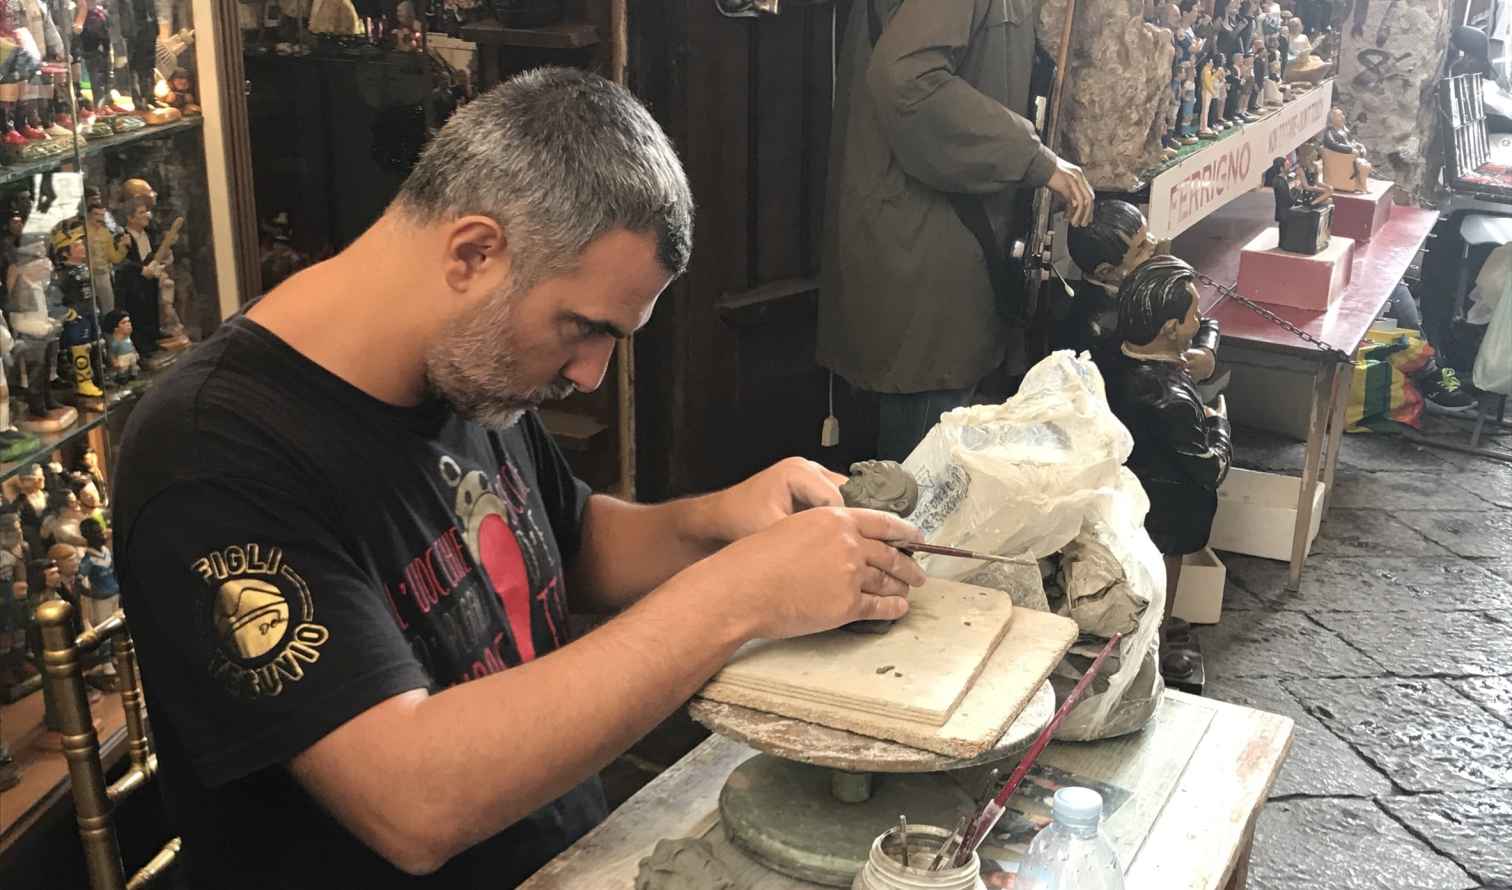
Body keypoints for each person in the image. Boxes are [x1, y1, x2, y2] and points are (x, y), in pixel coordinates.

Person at [111, 68, 927, 889]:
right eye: (583, 329)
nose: (590, 375)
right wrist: (739, 594)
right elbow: (411, 803)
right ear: (474, 252)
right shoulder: (212, 455)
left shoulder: (463, 361)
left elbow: (566, 544)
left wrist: (722, 521)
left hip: (570, 852)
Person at [817, 0, 1095, 463]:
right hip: (927, 247)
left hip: (946, 241)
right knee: (919, 485)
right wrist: (1033, 159)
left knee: (926, 465)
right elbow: (906, 80)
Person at [1097, 257, 1231, 684]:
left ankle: (1147, 627)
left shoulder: (1111, 357)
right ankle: (1152, 638)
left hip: (1127, 492)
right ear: (1171, 328)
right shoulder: (1170, 397)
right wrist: (1219, 424)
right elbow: (1209, 468)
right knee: (1161, 569)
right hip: (1168, 508)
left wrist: (1205, 350)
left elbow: (1204, 324)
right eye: (1191, 314)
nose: (1199, 318)